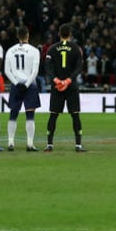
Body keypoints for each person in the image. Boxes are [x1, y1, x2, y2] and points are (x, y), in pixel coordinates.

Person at [44, 23, 86, 152]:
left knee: (53, 115)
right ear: (70, 35)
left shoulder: (52, 48)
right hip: (71, 86)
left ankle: (50, 144)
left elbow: (47, 66)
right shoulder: (75, 48)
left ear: (59, 34)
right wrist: (68, 80)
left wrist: (56, 79)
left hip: (57, 86)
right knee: (75, 115)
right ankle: (78, 145)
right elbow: (79, 67)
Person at [4, 26, 41, 151]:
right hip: (30, 85)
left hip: (15, 85)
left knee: (13, 114)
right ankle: (30, 144)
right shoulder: (34, 50)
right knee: (30, 115)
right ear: (27, 35)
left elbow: (6, 71)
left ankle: (10, 143)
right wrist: (26, 84)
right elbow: (35, 71)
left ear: (18, 36)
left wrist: (16, 83)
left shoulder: (10, 50)